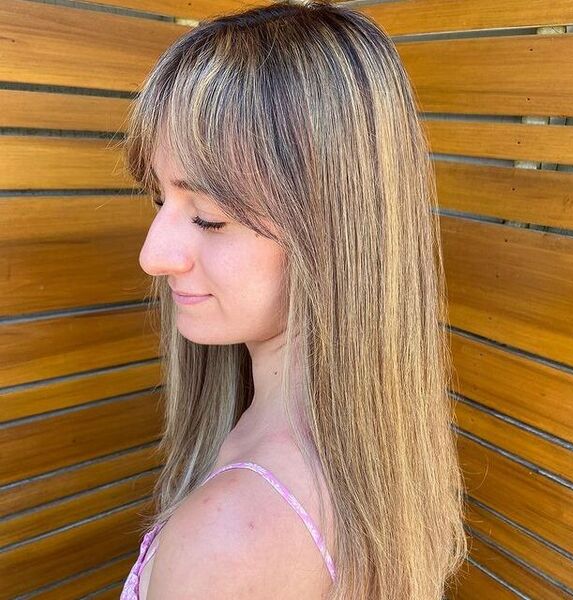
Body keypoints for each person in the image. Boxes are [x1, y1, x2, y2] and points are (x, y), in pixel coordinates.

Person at [119, 1, 468, 598]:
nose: (154, 255)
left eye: (207, 216)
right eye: (160, 200)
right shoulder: (380, 457)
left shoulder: (235, 539)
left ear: (334, 229)